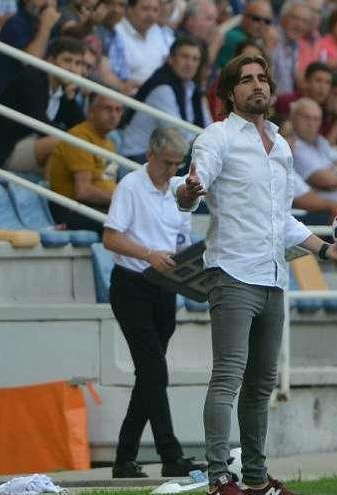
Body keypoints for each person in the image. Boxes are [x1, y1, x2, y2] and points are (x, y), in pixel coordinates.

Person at [172, 54, 337, 495]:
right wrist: (187, 191)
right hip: (232, 271)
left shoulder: (280, 144)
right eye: (246, 80)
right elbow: (191, 190)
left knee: (260, 386)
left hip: (274, 276)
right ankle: (220, 476)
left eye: (262, 79)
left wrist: (328, 249)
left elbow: (285, 219)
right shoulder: (216, 137)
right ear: (228, 92)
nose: (257, 86)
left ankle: (256, 480)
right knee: (228, 377)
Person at [102, 127, 206, 479]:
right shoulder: (131, 186)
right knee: (154, 371)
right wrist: (149, 255)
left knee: (149, 375)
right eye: (166, 163)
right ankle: (170, 453)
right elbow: (111, 237)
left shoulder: (178, 192)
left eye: (178, 164)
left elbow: (180, 240)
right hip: (132, 284)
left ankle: (124, 458)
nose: (172, 170)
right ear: (150, 155)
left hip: (165, 285)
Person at [0, 37, 86, 173]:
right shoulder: (32, 79)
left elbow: (82, 127)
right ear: (50, 61)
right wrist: (75, 139)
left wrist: (70, 99)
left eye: (78, 63)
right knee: (62, 143)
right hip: (1, 151)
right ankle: (50, 191)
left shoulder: (63, 90)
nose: (73, 69)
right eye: (67, 61)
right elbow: (40, 124)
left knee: (77, 147)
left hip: (29, 145)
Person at [121, 36, 212, 161]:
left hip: (166, 155)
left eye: (195, 59)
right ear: (171, 59)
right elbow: (179, 135)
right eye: (184, 57)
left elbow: (209, 128)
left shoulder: (191, 88)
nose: (189, 64)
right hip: (139, 156)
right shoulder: (162, 88)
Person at [48, 94, 123, 232]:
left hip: (99, 207)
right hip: (72, 210)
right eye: (108, 109)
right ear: (91, 112)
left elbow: (108, 182)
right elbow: (83, 192)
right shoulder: (79, 138)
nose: (114, 115)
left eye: (118, 110)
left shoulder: (110, 144)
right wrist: (123, 199)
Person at [290, 97, 337, 202]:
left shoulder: (321, 141)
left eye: (316, 119)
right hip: (321, 210)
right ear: (293, 118)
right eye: (306, 118)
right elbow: (330, 181)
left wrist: (334, 172)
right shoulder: (294, 146)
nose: (311, 123)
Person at [0, 0, 62, 94]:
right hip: (12, 93)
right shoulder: (16, 23)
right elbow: (30, 63)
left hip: (36, 93)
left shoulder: (51, 27)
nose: (48, 3)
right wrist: (45, 27)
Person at [108, 0, 170, 89]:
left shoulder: (160, 33)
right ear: (129, 9)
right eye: (145, 9)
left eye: (155, 10)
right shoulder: (116, 32)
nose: (151, 15)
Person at [270, 0, 313, 95]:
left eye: (304, 21)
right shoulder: (273, 37)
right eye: (295, 18)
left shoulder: (296, 44)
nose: (299, 25)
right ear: (283, 18)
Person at [214, 0, 272, 70]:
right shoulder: (235, 37)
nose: (261, 25)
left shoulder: (254, 38)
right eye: (256, 19)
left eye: (267, 21)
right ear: (244, 17)